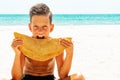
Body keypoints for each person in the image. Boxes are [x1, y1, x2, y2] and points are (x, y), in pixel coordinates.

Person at [11, 3, 85, 80]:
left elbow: (63, 75)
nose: (40, 31)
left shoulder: (57, 44)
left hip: (49, 78)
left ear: (51, 27)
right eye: (36, 27)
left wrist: (70, 53)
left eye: (44, 27)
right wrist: (17, 54)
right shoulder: (24, 43)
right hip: (27, 78)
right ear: (30, 27)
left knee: (79, 77)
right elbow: (16, 78)